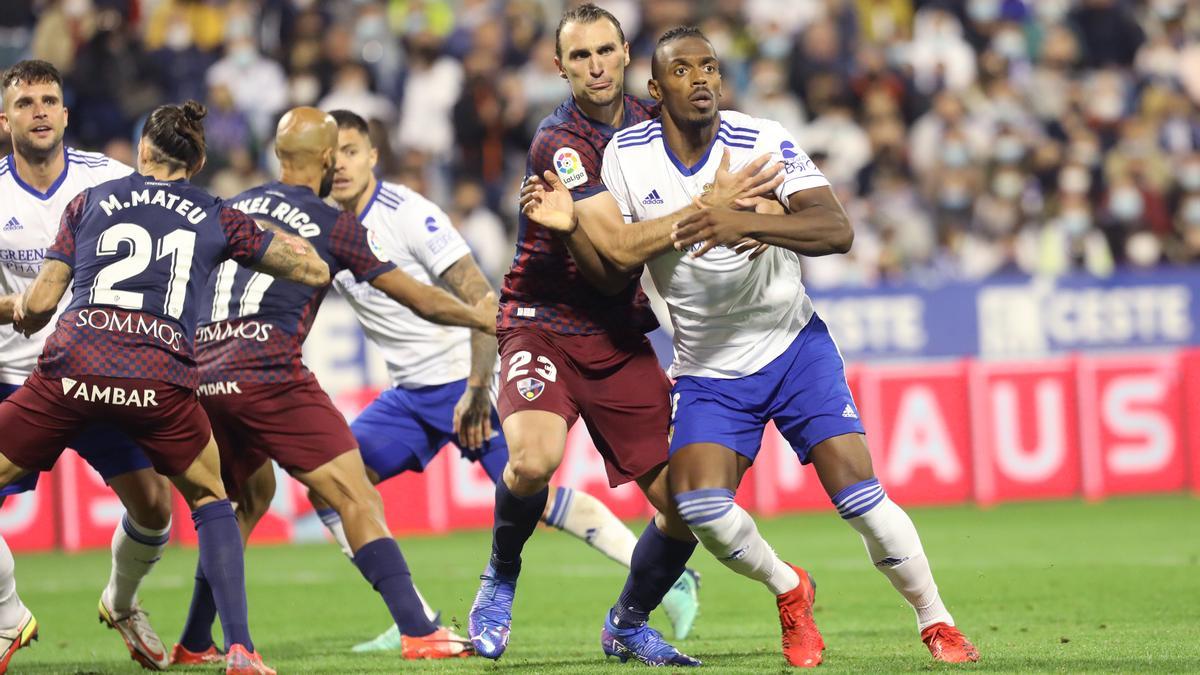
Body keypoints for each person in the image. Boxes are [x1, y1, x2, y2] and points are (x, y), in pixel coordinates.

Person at [521, 27, 981, 667]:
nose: (701, 78)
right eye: (683, 71)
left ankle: (937, 622)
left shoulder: (760, 139)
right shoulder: (626, 154)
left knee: (858, 497)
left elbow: (835, 229)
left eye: (709, 66)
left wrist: (748, 220)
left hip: (792, 344)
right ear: (655, 90)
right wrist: (574, 232)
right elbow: (614, 268)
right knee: (700, 507)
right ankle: (790, 589)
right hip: (708, 368)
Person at [300, 109, 705, 654]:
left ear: (373, 156)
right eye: (333, 154)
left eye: (353, 151)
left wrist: (475, 386)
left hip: (463, 385)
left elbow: (482, 299)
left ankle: (668, 575)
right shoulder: (325, 225)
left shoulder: (409, 214)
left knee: (536, 483)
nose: (342, 164)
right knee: (332, 484)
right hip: (408, 396)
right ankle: (412, 614)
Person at [467, 4, 781, 666]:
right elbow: (608, 266)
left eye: (605, 51)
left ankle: (628, 622)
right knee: (531, 461)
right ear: (559, 66)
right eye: (579, 56)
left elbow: (715, 183)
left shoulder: (654, 126)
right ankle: (500, 574)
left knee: (688, 505)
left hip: (615, 334)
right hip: (542, 321)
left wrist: (750, 211)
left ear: (627, 52)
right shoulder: (560, 143)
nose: (596, 65)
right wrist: (706, 211)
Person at [0, 100, 331, 675]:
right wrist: (268, 234)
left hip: (75, 363)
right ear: (198, 159)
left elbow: (44, 303)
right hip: (159, 377)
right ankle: (242, 651)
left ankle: (6, 616)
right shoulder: (216, 214)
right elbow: (311, 270)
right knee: (210, 500)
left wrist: (24, 308)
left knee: (151, 506)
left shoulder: (89, 200)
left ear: (141, 151)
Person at [171, 107, 495, 665]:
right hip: (266, 371)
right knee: (355, 495)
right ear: (326, 159)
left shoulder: (232, 206)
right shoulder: (330, 221)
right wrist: (483, 318)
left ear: (278, 156)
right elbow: (417, 296)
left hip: (200, 371)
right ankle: (420, 630)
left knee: (243, 501)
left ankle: (196, 641)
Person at [0, 59, 174, 671]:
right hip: (17, 377)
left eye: (49, 100)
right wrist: (16, 306)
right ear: (5, 119)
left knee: (155, 507)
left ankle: (121, 601)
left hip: (101, 374)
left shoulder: (112, 179)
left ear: (67, 114)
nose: (39, 111)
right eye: (25, 103)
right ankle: (7, 617)